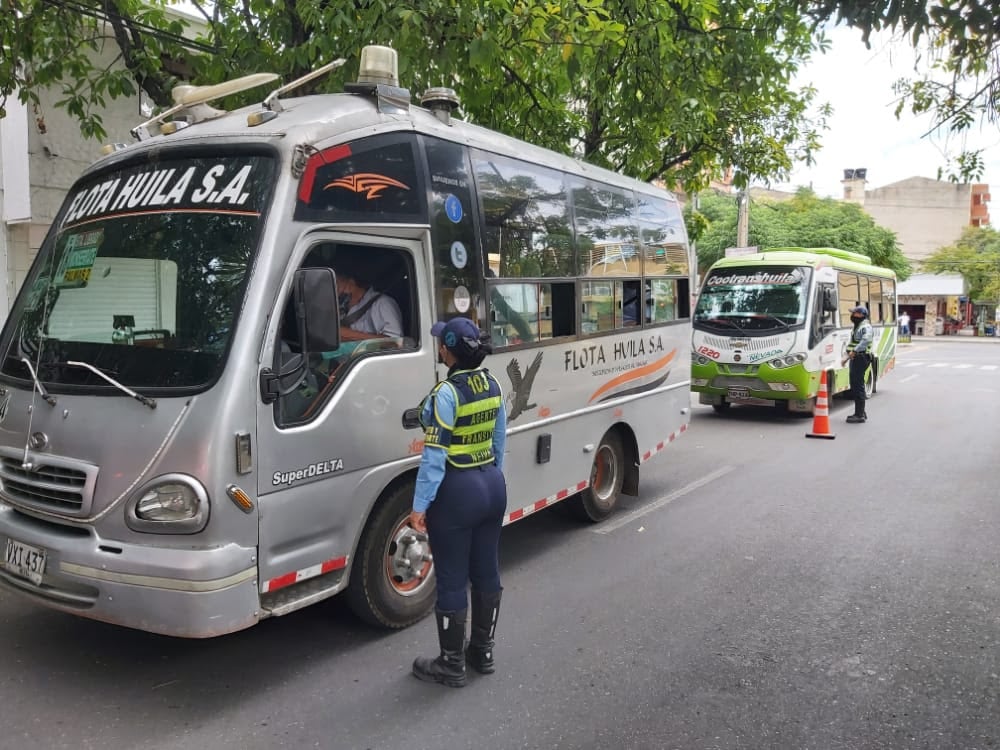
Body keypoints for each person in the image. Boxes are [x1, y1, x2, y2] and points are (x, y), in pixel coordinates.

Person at [409, 317, 508, 688]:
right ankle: (482, 652)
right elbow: (499, 441)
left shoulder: (445, 394)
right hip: (491, 485)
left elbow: (434, 458)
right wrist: (491, 477)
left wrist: (420, 506)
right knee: (487, 570)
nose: (438, 347)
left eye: (440, 342)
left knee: (452, 578)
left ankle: (451, 664)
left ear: (447, 349)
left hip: (457, 492)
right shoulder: (493, 384)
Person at [332, 257, 404, 341]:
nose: (335, 290)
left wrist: (345, 333)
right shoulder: (341, 305)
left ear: (351, 281)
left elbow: (394, 342)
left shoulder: (382, 303)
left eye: (337, 283)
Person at [846, 305, 874, 423]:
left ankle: (860, 415)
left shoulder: (865, 326)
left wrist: (855, 351)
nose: (852, 315)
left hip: (860, 357)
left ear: (861, 315)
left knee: (858, 386)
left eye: (854, 313)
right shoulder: (858, 326)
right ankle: (860, 412)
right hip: (857, 357)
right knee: (856, 385)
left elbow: (866, 340)